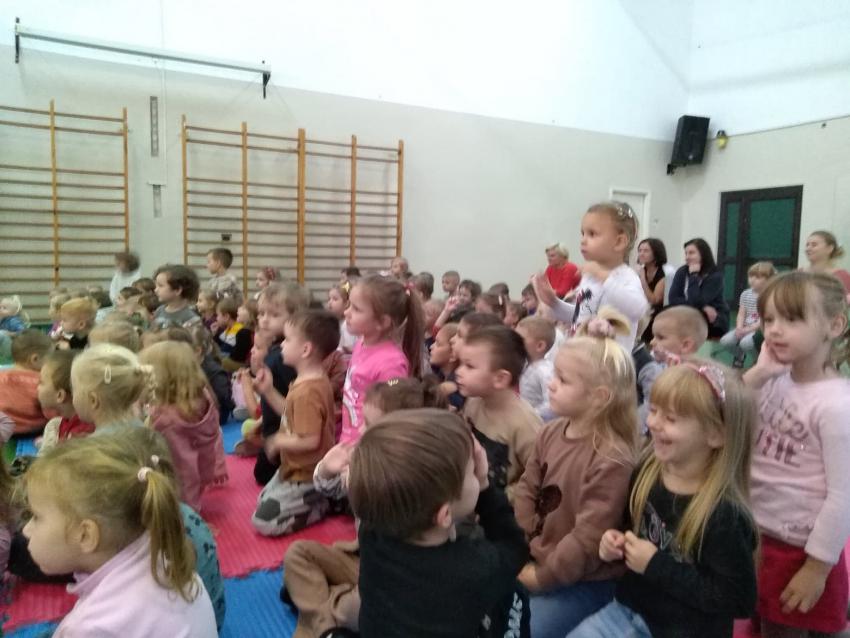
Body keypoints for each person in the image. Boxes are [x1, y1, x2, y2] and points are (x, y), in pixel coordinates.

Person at [569, 358, 758, 638]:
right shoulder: (647, 471)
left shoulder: (724, 515)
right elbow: (632, 527)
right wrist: (614, 541)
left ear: (715, 435)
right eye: (654, 410)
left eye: (670, 419)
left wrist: (656, 565)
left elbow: (738, 598)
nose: (653, 423)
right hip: (626, 610)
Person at [282, 376, 451, 638]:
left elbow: (396, 532)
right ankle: (326, 620)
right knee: (297, 554)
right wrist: (326, 469)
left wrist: (362, 492)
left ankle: (318, 606)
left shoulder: (419, 479)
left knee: (351, 610)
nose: (360, 430)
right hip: (362, 561)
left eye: (370, 425)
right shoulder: (368, 459)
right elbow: (332, 489)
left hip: (392, 577)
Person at [350, 409, 530, 638]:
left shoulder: (371, 533)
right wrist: (485, 485)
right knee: (515, 594)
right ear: (444, 515)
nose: (476, 471)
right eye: (471, 472)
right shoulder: (473, 568)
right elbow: (515, 548)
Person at [22, 433, 217, 636]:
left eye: (36, 517)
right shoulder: (156, 543)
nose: (26, 530)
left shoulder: (86, 627)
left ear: (85, 535)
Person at [743, 271, 850, 637]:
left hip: (801, 551)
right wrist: (757, 375)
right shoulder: (773, 379)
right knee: (765, 625)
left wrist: (817, 569)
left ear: (834, 326)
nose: (774, 330)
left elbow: (842, 496)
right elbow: (729, 419)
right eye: (769, 319)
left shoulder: (836, 404)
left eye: (791, 319)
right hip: (761, 536)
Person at [514, 331, 638, 637]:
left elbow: (588, 538)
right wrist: (519, 544)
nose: (550, 384)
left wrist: (541, 578)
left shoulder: (612, 458)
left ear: (599, 397)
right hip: (535, 556)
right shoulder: (549, 432)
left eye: (563, 379)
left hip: (583, 578)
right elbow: (527, 488)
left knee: (522, 630)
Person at [252, 310, 338, 537]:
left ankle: (321, 503)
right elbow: (290, 415)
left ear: (305, 349)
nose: (281, 345)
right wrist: (268, 391)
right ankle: (317, 496)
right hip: (292, 468)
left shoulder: (308, 392)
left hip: (307, 473)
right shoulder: (307, 380)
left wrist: (277, 441)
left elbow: (310, 440)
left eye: (287, 340)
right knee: (262, 500)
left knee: (263, 522)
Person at [533, 201, 648, 350]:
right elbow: (582, 315)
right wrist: (554, 302)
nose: (583, 240)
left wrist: (602, 276)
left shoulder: (627, 276)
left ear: (619, 242)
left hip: (609, 360)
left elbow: (638, 308)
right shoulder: (590, 277)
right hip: (583, 354)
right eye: (583, 233)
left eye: (592, 234)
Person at [140, 341, 228, 513]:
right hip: (204, 467)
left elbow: (183, 467)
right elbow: (216, 433)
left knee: (184, 489)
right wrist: (219, 464)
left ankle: (189, 517)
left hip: (184, 481)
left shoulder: (167, 419)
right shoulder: (203, 397)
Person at [339, 275, 424, 444]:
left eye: (356, 309)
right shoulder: (361, 342)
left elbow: (390, 412)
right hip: (348, 438)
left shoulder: (391, 364)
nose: (346, 312)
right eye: (348, 305)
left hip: (368, 444)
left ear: (383, 322)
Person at [456, 325, 541, 495]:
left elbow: (539, 477)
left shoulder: (526, 425)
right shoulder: (473, 402)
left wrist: (507, 499)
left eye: (469, 366)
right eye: (460, 364)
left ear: (500, 378)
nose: (458, 372)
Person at [251, 282, 311, 484]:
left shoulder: (285, 356)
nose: (264, 320)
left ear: (295, 318)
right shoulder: (275, 350)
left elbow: (296, 403)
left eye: (274, 315)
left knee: (262, 474)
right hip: (273, 423)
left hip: (287, 429)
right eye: (261, 313)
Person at [668, 238, 730, 338]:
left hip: (712, 319)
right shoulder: (682, 271)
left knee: (693, 316)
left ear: (703, 254)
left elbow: (697, 301)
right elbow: (673, 299)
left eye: (691, 253)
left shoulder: (715, 275)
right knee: (665, 312)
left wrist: (693, 275)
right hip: (688, 313)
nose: (687, 257)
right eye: (686, 253)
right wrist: (704, 306)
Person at [719, 261, 776, 367]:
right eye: (750, 276)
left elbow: (764, 319)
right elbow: (741, 314)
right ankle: (739, 356)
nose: (752, 280)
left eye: (757, 277)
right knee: (725, 341)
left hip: (758, 329)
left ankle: (759, 360)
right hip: (744, 327)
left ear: (769, 279)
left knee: (746, 343)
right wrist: (739, 328)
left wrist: (748, 330)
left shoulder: (770, 296)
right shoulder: (745, 294)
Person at [37, 350, 94, 453]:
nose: (37, 387)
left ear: (60, 396)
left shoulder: (80, 435)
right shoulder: (66, 420)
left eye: (41, 382)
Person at [0, 329, 52, 435]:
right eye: (50, 358)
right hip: (32, 430)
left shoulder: (2, 376)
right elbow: (50, 410)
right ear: (35, 359)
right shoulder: (41, 381)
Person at [515, 316, 556, 421]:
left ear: (540, 346)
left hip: (537, 423)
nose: (514, 343)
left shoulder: (545, 371)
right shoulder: (525, 364)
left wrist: (530, 414)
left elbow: (551, 404)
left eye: (519, 340)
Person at [635, 238, 668, 343]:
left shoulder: (663, 273)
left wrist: (642, 279)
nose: (641, 254)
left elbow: (654, 300)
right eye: (640, 250)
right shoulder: (640, 270)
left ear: (656, 253)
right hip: (642, 310)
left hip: (657, 313)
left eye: (646, 251)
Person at [152, 264, 201, 329]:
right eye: (156, 286)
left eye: (160, 286)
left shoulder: (191, 319)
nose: (155, 290)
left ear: (177, 290)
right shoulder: (159, 311)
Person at [213, 297, 252, 372]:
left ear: (226, 317)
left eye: (217, 315)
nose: (216, 318)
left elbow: (226, 350)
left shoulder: (239, 330)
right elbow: (219, 342)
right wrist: (215, 333)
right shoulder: (229, 328)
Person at [326, 283, 356, 355]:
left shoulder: (347, 324)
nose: (330, 302)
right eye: (329, 299)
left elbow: (348, 348)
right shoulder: (336, 322)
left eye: (335, 299)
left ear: (346, 303)